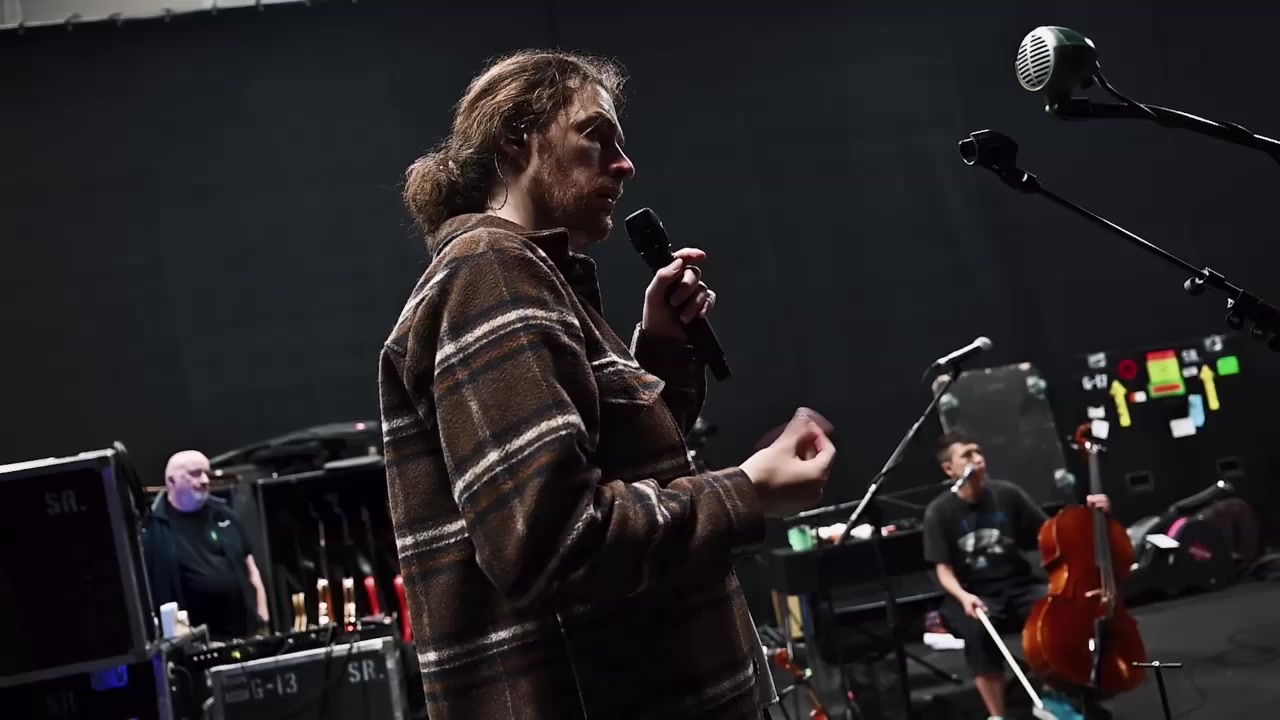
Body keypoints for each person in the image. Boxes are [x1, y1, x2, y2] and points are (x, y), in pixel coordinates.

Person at [379, 50, 836, 719]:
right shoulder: (490, 269)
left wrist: (662, 351)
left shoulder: (521, 273)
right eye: (596, 136)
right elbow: (555, 540)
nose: (625, 165)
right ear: (515, 140)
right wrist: (748, 490)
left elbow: (622, 473)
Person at [922, 431, 1113, 720]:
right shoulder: (939, 512)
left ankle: (1055, 696)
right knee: (977, 631)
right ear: (949, 469)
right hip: (973, 593)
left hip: (1018, 584)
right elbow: (943, 570)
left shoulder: (1007, 494)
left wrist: (1085, 515)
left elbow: (1051, 534)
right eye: (967, 455)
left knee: (1059, 611)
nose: (978, 459)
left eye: (978, 451)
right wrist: (964, 597)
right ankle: (997, 715)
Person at [142, 450, 269, 640]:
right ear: (171, 481)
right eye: (194, 474)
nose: (204, 480)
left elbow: (251, 568)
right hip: (192, 642)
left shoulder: (225, 514)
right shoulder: (153, 528)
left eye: (206, 473)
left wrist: (263, 619)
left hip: (244, 634)